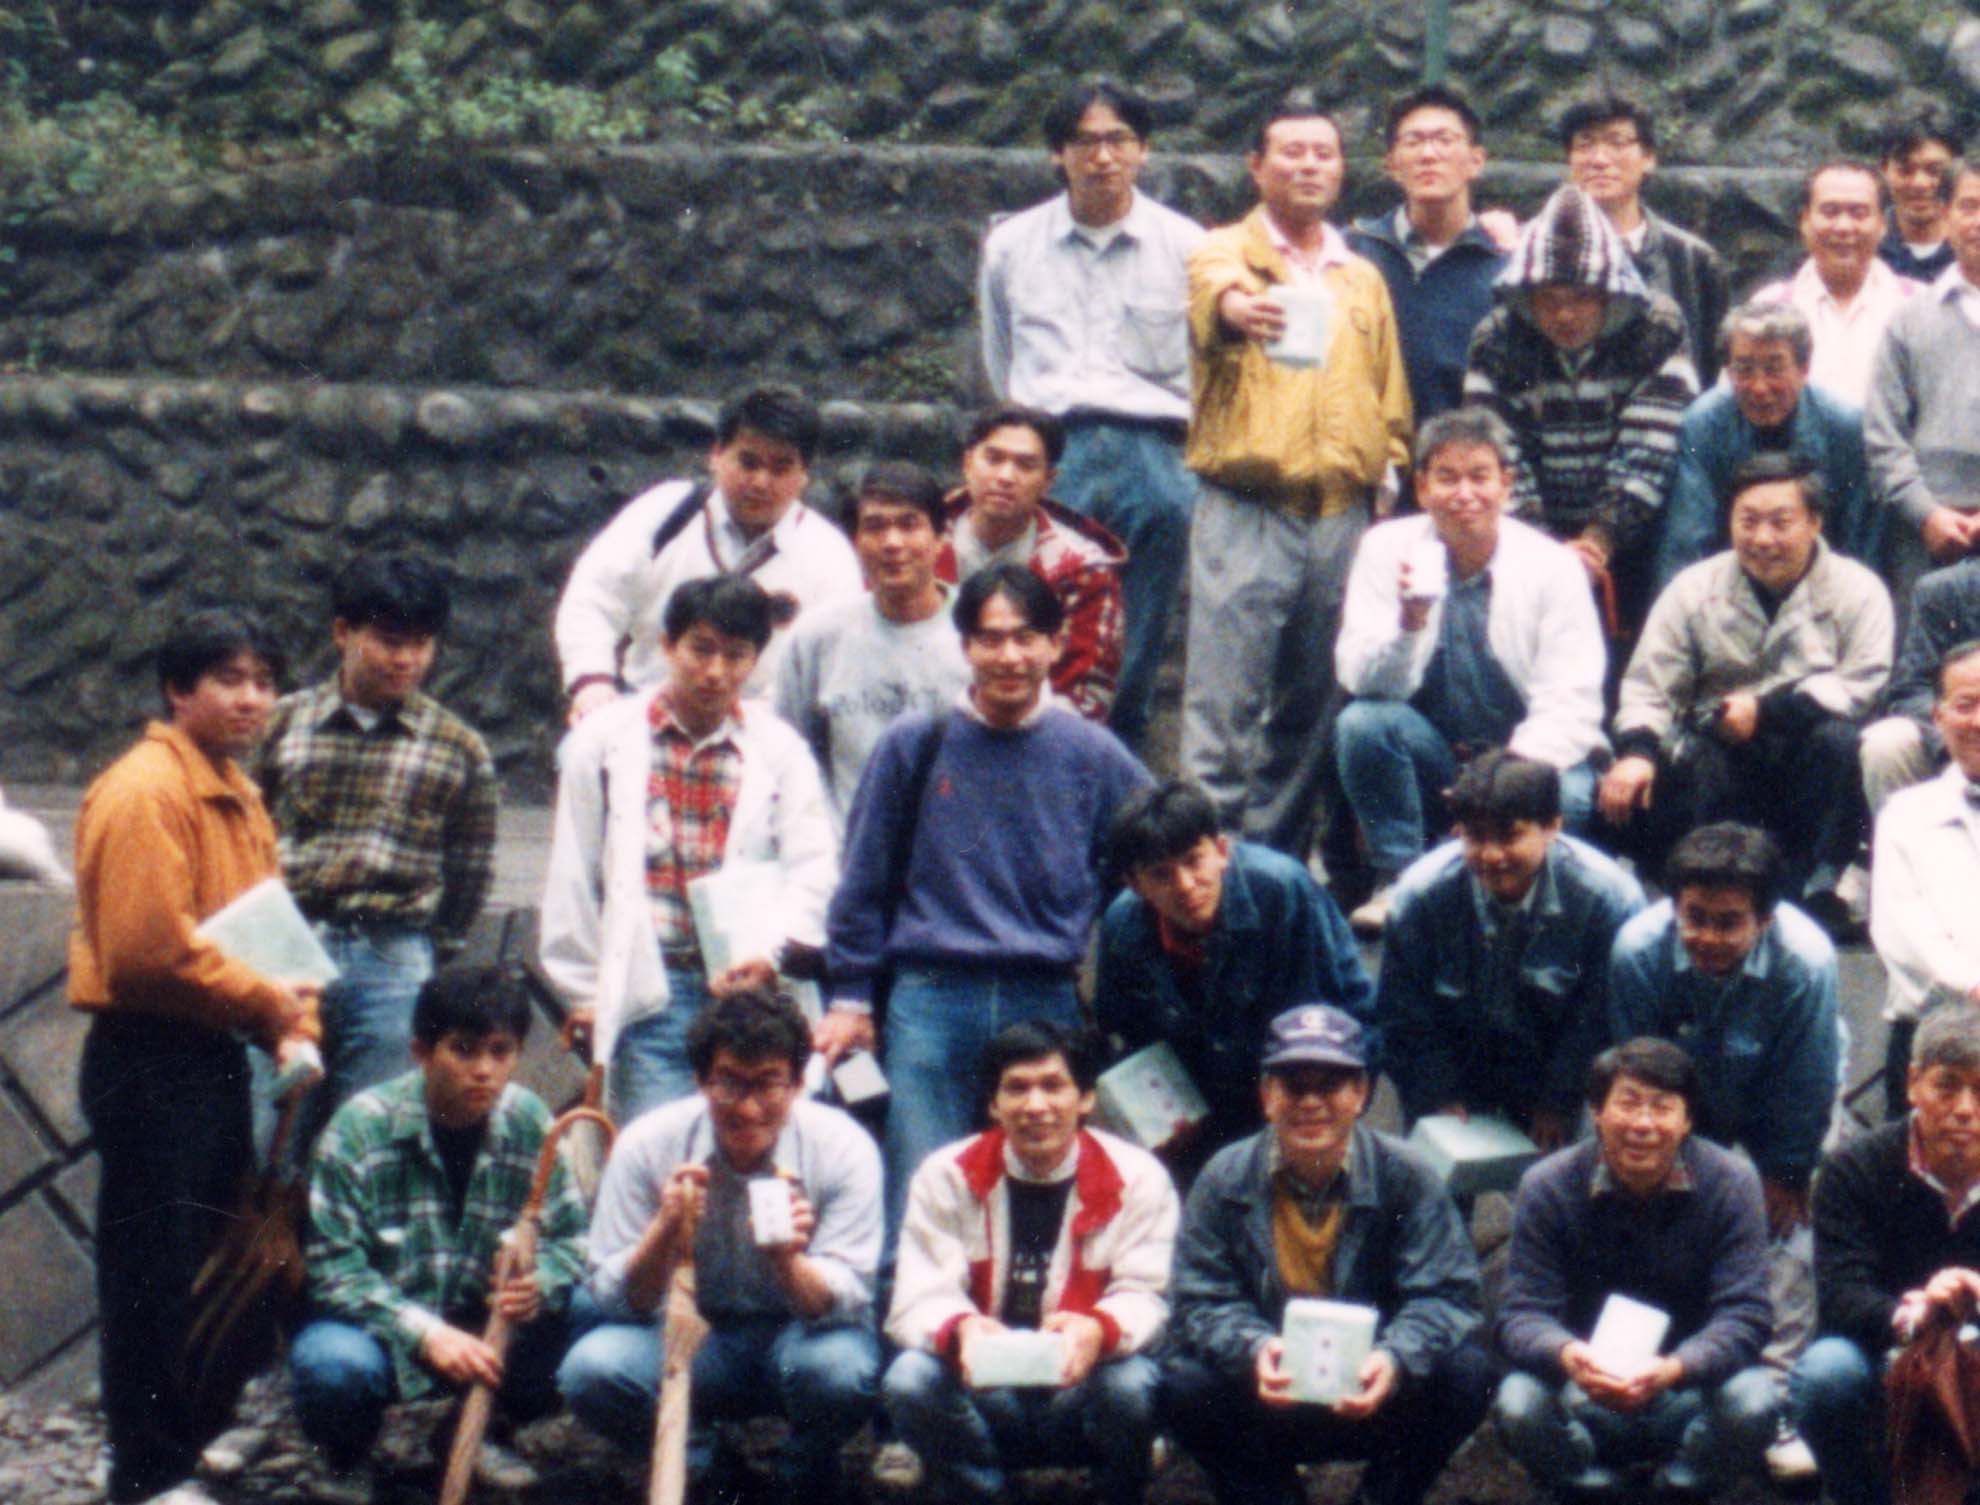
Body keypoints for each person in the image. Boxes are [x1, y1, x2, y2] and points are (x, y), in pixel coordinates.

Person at [70, 608, 321, 1504]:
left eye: (264, 680)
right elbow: (148, 952)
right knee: (152, 1271)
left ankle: (177, 1445)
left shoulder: (236, 790)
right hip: (149, 1055)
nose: (251, 698)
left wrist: (297, 1022)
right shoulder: (145, 790)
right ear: (178, 689)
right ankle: (146, 1469)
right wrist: (270, 1004)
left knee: (210, 1267)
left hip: (213, 1052)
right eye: (229, 679)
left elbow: (271, 929)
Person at [818, 563, 1150, 1241]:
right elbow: (863, 876)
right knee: (921, 1192)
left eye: (1026, 638)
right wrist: (850, 995)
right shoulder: (916, 741)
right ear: (965, 645)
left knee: (1041, 1193)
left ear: (1055, 644)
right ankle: (909, 1311)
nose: (1009, 656)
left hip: (1045, 995)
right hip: (932, 997)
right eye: (990, 639)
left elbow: (1154, 848)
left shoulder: (1091, 751)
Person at [1179, 100, 1412, 859]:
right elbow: (1217, 295)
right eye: (1291, 152)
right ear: (1257, 166)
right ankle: (1203, 864)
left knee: (1312, 707)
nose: (1310, 165)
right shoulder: (1224, 251)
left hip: (1341, 514)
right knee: (1223, 704)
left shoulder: (1362, 276)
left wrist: (1384, 489)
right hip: (1245, 506)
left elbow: (1390, 398)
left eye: (1324, 153)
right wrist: (1241, 308)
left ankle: (1272, 865)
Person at [558, 991, 882, 1504]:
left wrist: (788, 1259)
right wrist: (665, 1230)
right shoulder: (649, 1143)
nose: (748, 1108)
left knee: (840, 1369)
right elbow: (614, 1299)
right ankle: (703, 1468)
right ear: (700, 1079)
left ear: (799, 1083)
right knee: (593, 1369)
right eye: (728, 1083)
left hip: (797, 1339)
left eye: (768, 1084)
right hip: (692, 1337)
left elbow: (849, 1300)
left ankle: (801, 1471)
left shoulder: (842, 1147)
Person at [1164, 1005, 1493, 1505]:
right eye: (1294, 1086)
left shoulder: (1408, 1175)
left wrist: (1395, 1358)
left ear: (1361, 1093)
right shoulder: (1223, 1177)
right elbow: (1198, 1298)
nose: (1311, 1102)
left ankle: (1381, 1498)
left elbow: (1448, 1294)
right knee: (1183, 1383)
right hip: (1269, 1387)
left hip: (1373, 1386)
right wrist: (1254, 1349)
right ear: (1266, 1095)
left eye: (1331, 1086)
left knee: (1468, 1374)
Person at [539, 574, 837, 1122]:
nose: (716, 671)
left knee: (751, 1138)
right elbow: (574, 873)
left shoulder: (780, 750)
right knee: (659, 1144)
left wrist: (772, 955)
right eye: (700, 649)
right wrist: (584, 989)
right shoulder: (602, 743)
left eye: (736, 655)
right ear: (666, 645)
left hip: (749, 993)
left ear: (756, 660)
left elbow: (814, 865)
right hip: (652, 991)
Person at [292, 965, 586, 1503]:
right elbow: (333, 1271)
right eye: (464, 1050)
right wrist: (425, 1334)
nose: (484, 1071)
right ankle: (347, 1458)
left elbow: (572, 1241)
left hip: (484, 1322)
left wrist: (540, 1281)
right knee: (333, 1364)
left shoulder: (529, 1122)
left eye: (501, 1052)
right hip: (387, 1326)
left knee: (585, 1309)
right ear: (421, 1052)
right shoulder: (358, 1129)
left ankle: (478, 1430)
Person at [1607, 821, 1845, 1484]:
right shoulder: (1637, 950)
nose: (1707, 937)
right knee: (1646, 1192)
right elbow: (1638, 1066)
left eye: (1728, 922)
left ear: (1765, 918)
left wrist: (1786, 1170)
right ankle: (1646, 1371)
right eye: (1695, 918)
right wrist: (1665, 1153)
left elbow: (1807, 1079)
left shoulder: (1808, 960)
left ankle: (1780, 1397)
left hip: (1781, 1088)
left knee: (1785, 1228)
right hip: (1674, 1090)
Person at [979, 77, 1204, 752]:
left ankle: (1116, 752)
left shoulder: (1187, 246)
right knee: (1038, 607)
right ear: (1058, 153)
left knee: (1138, 625)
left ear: (1143, 150)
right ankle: (1038, 743)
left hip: (1154, 453)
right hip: (1053, 449)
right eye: (1084, 142)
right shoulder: (1012, 244)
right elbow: (1000, 356)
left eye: (1118, 140)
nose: (1102, 157)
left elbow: (1206, 365)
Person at [255, 551, 499, 1151]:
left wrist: (430, 948)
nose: (406, 659)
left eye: (421, 644)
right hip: (286, 946)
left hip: (393, 955)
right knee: (263, 1131)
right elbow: (243, 836)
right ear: (343, 632)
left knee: (368, 1137)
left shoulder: (458, 747)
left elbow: (470, 869)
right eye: (390, 641)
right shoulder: (280, 724)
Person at [883, 1021, 1178, 1505]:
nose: (1035, 1105)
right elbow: (917, 1295)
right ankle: (980, 1493)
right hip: (985, 1388)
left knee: (1131, 1383)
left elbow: (1149, 1294)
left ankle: (1115, 1494)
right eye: (1016, 1088)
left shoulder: (1138, 1177)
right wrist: (962, 1329)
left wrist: (1096, 1329)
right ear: (993, 1104)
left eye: (1053, 1085)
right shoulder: (946, 1175)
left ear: (1086, 1098)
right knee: (910, 1377)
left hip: (1081, 1386)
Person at [1333, 408, 1607, 923]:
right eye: (1447, 478)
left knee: (1568, 801)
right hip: (1435, 753)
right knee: (1361, 724)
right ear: (1421, 487)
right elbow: (1357, 676)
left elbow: (1570, 700)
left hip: (1528, 758)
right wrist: (1408, 625)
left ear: (1506, 485)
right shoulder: (1384, 548)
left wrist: (1496, 784)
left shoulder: (1553, 565)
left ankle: (1519, 906)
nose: (1465, 494)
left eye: (1480, 477)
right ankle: (1400, 879)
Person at [1600, 453, 1893, 912]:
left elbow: (1864, 682)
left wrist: (1767, 712)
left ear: (1815, 522)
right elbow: (1649, 687)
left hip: (1807, 744)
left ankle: (1814, 887)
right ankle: (1703, 888)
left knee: (1840, 742)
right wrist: (1637, 752)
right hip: (1717, 746)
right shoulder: (1692, 587)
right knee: (1688, 759)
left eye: (1781, 522)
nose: (1762, 538)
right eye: (1748, 521)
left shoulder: (1859, 589)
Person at [1493, 1038, 1778, 1500]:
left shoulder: (1731, 1182)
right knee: (1518, 1402)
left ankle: (1677, 1490)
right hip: (1583, 1390)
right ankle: (1592, 1490)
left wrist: (1674, 1368)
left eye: (1662, 1108)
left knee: (1755, 1399)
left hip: (1685, 1390)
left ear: (1687, 1120)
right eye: (1627, 1104)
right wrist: (1569, 1355)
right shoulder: (1547, 1185)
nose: (1643, 1124)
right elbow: (1521, 1314)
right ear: (1596, 1112)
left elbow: (1746, 1314)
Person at [1094, 780, 1373, 1180]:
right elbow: (1124, 1033)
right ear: (1136, 884)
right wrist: (1159, 1116)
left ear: (1222, 851)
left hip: (1295, 1089)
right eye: (1161, 875)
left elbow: (1337, 1014)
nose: (1185, 885)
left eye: (1194, 861)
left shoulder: (1281, 890)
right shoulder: (1123, 925)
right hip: (1195, 1108)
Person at [1462, 182, 1698, 629]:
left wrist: (1600, 539)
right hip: (1526, 537)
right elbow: (1497, 451)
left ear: (1610, 292)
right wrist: (1546, 550)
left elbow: (1651, 447)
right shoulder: (1497, 339)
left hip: (1640, 537)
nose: (1565, 315)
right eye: (1549, 300)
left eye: (1581, 298)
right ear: (1525, 295)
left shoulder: (1656, 328)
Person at [1378, 751, 1644, 1147]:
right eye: (1475, 837)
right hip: (1456, 1062)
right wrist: (1437, 1093)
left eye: (1508, 837)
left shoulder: (1607, 899)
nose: (1491, 855)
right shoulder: (1421, 895)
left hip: (1559, 1067)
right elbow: (1403, 1010)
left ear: (1552, 826)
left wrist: (1559, 1100)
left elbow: (1599, 1017)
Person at [554, 383, 862, 720]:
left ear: (804, 475)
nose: (761, 482)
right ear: (716, 455)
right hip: (643, 717)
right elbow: (593, 597)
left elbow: (832, 660)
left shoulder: (829, 556)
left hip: (765, 730)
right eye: (748, 462)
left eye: (780, 468)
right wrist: (592, 683)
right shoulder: (665, 514)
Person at [1791, 1004, 1980, 1505]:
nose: (1965, 1109)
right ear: (1913, 1083)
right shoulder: (1853, 1168)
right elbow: (1841, 1293)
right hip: (1882, 1348)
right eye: (1947, 1086)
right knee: (1826, 1373)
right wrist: (1915, 1315)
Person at [773, 461, 970, 829]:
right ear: (855, 541)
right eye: (875, 527)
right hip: (845, 848)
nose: (892, 543)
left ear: (940, 537)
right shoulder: (817, 635)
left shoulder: (981, 631)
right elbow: (787, 753)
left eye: (909, 525)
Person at [1654, 300, 1882, 592]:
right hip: (1727, 590)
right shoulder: (1705, 424)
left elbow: (1860, 544)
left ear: (1804, 369)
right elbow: (1687, 541)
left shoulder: (1845, 427)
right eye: (1744, 370)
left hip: (1824, 589)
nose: (1759, 387)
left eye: (1774, 369)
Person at [935, 405, 1126, 723]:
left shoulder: (1084, 569)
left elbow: (1085, 699)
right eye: (993, 459)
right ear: (967, 463)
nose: (1005, 477)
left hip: (1036, 731)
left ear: (1048, 480)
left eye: (1025, 465)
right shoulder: (916, 541)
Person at [1345, 83, 1508, 423]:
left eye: (1445, 140)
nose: (1429, 155)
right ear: (1391, 164)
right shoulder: (1353, 251)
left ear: (1476, 161)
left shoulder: (1504, 263)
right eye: (1413, 141)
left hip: (1466, 449)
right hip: (1370, 448)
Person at [1865, 155, 1980, 610]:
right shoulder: (1908, 320)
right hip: (1924, 530)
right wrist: (1925, 513)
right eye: (1969, 207)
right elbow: (1883, 435)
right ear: (1946, 215)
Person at [1870, 641, 1980, 1115]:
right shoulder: (1905, 814)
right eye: (1965, 705)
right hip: (1932, 1038)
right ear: (1938, 717)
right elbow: (1901, 932)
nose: (1978, 721)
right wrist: (1973, 986)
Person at [1558, 93, 1730, 385]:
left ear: (1648, 158)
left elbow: (1713, 370)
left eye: (1617, 143)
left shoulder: (1692, 260)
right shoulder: (1534, 255)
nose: (1599, 160)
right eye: (1585, 145)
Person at [1750, 161, 1919, 410]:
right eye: (1830, 211)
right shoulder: (1769, 307)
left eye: (1859, 213)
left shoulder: (1919, 306)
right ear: (1805, 220)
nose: (1843, 227)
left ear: (1883, 224)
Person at [1859, 560, 1980, 811]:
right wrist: (1954, 739)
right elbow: (1911, 689)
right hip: (1959, 735)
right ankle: (1904, 834)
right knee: (1887, 743)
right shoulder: (1944, 589)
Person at [1878, 108, 1964, 283]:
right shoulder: (1864, 246)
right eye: (1905, 170)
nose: (1920, 184)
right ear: (1884, 170)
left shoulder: (1971, 245)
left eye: (1934, 171)